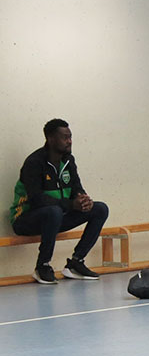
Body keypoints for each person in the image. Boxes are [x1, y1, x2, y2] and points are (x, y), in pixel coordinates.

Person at [10, 119, 109, 284]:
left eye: (70, 137)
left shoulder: (69, 161)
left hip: (55, 218)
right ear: (50, 139)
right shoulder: (34, 162)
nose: (69, 141)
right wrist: (71, 205)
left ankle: (76, 263)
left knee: (100, 209)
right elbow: (36, 200)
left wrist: (83, 200)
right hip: (25, 219)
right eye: (65, 137)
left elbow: (76, 187)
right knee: (53, 211)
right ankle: (42, 266)